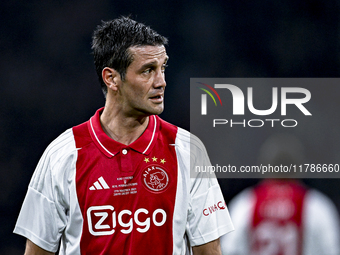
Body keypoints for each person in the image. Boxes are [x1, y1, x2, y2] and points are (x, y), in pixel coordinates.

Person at [13, 17, 234, 255]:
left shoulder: (188, 150)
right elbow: (37, 251)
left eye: (163, 68)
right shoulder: (63, 155)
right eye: (147, 71)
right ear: (111, 78)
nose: (161, 82)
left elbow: (209, 251)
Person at [220, 133, 340, 255]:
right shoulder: (317, 206)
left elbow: (230, 250)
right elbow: (332, 250)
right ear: (299, 167)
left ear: (263, 167)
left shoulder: (246, 203)